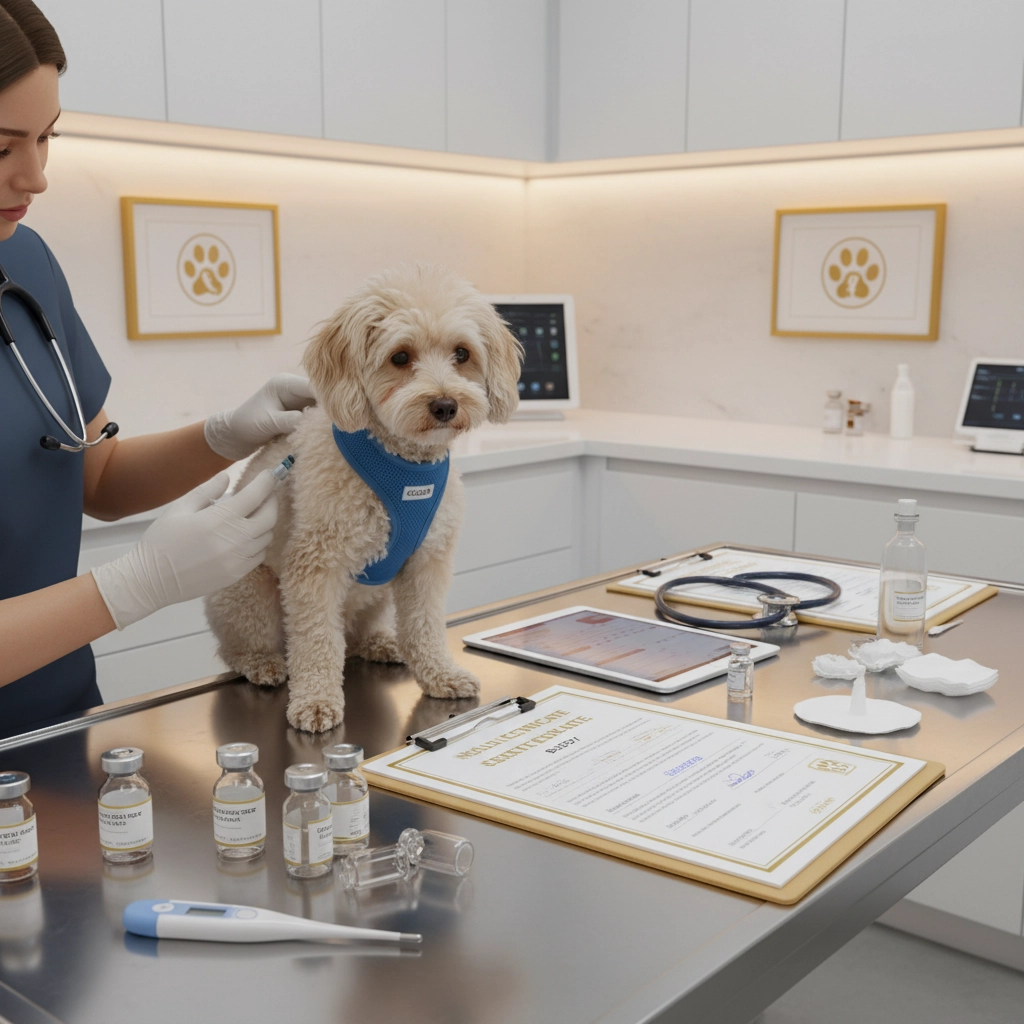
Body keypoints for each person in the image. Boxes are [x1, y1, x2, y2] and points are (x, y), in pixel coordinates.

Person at [0, 0, 311, 736]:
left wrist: (225, 435)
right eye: (2, 147)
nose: (36, 177)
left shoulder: (26, 262)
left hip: (60, 723)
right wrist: (133, 587)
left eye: (46, 138)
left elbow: (98, 478)